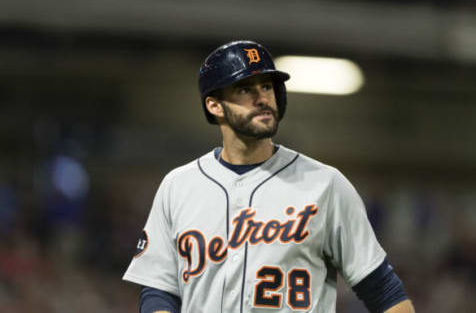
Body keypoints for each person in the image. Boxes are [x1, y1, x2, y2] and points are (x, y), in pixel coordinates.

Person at [122, 40, 415, 313]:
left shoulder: (325, 184)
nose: (262, 98)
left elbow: (383, 291)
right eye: (245, 89)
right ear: (214, 105)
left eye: (267, 86)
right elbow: (159, 289)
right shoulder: (179, 185)